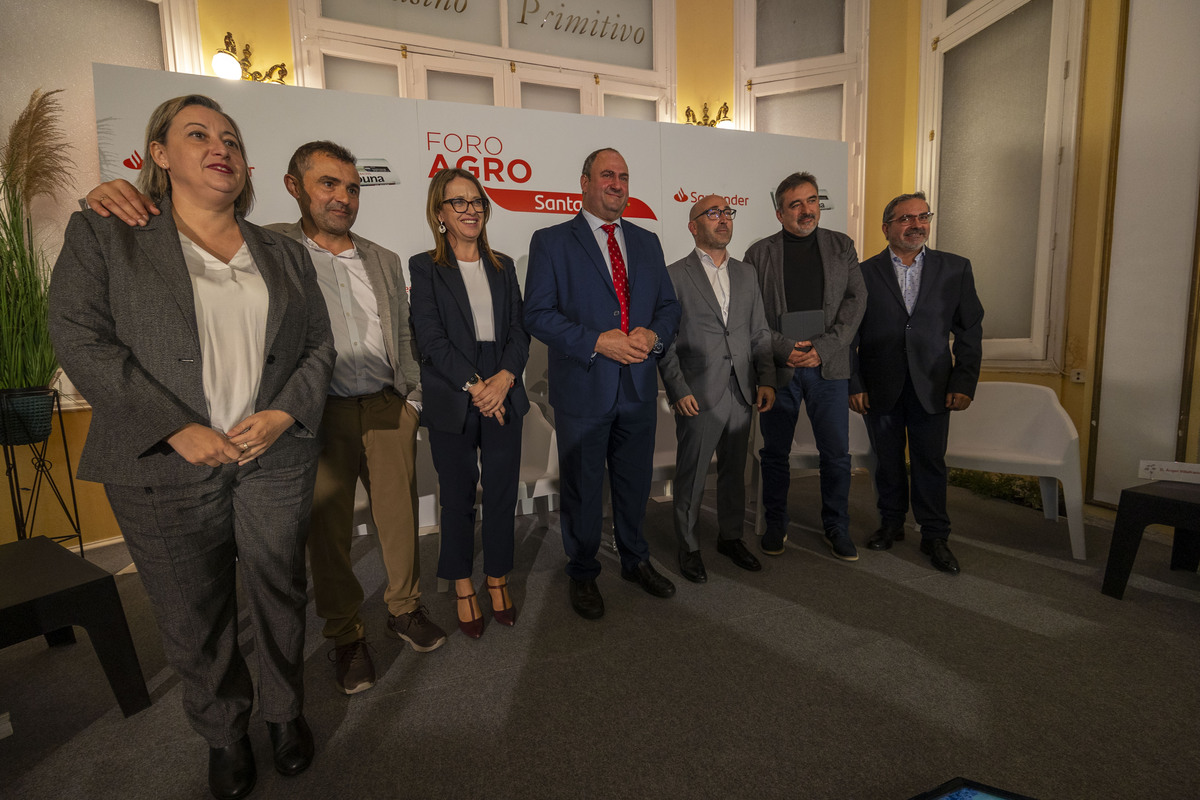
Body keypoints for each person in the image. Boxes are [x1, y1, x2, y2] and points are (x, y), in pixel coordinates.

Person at [84, 141, 448, 697]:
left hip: (385, 406)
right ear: (293, 186)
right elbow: (177, 222)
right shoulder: (268, 245)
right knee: (327, 532)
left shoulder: (382, 258)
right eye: (328, 184)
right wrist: (107, 193)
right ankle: (346, 633)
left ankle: (405, 607)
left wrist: (412, 401)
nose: (342, 197)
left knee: (400, 520)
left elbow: (402, 337)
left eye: (351, 187)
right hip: (312, 412)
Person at [50, 95, 335, 800]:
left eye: (232, 139)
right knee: (192, 611)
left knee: (278, 593)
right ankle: (225, 734)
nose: (221, 148)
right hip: (163, 463)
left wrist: (280, 415)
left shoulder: (285, 252)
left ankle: (283, 714)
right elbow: (80, 337)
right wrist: (173, 425)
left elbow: (319, 349)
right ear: (159, 154)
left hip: (272, 456)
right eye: (199, 134)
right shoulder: (105, 233)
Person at [524, 147, 681, 620]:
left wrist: (653, 336)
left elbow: (669, 309)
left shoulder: (648, 241)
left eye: (624, 177)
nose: (617, 184)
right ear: (585, 182)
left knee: (634, 485)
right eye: (607, 175)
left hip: (637, 387)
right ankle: (584, 571)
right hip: (584, 389)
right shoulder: (552, 241)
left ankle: (635, 559)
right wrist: (596, 341)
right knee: (583, 488)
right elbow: (537, 314)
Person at [408, 168, 529, 637]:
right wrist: (478, 387)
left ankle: (497, 579)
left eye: (476, 201)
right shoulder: (425, 266)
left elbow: (519, 330)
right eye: (458, 202)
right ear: (440, 213)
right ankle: (462, 583)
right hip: (455, 392)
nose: (470, 210)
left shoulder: (502, 264)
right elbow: (431, 339)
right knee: (457, 499)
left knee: (501, 494)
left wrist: (504, 378)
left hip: (503, 382)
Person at [850, 192, 984, 574]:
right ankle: (891, 523)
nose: (917, 224)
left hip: (934, 384)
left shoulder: (955, 268)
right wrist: (854, 383)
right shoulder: (862, 273)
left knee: (930, 461)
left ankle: (935, 534)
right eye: (906, 218)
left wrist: (964, 380)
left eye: (922, 217)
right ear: (886, 226)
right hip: (880, 385)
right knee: (886, 460)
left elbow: (970, 330)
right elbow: (848, 335)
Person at [743, 171, 866, 562]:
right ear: (780, 213)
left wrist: (823, 348)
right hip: (781, 368)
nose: (806, 210)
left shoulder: (841, 246)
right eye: (795, 204)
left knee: (836, 453)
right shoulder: (758, 253)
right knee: (775, 452)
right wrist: (784, 349)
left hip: (828, 368)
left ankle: (836, 526)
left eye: (812, 201)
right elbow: (753, 313)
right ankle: (776, 522)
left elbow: (855, 302)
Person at [659, 194, 775, 583]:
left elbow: (758, 333)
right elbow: (665, 341)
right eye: (713, 213)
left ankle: (730, 536)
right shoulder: (674, 275)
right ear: (693, 226)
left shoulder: (746, 274)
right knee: (691, 474)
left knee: (733, 472)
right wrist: (677, 389)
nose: (723, 219)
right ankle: (688, 545)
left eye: (727, 212)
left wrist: (767, 379)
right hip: (698, 393)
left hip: (743, 390)